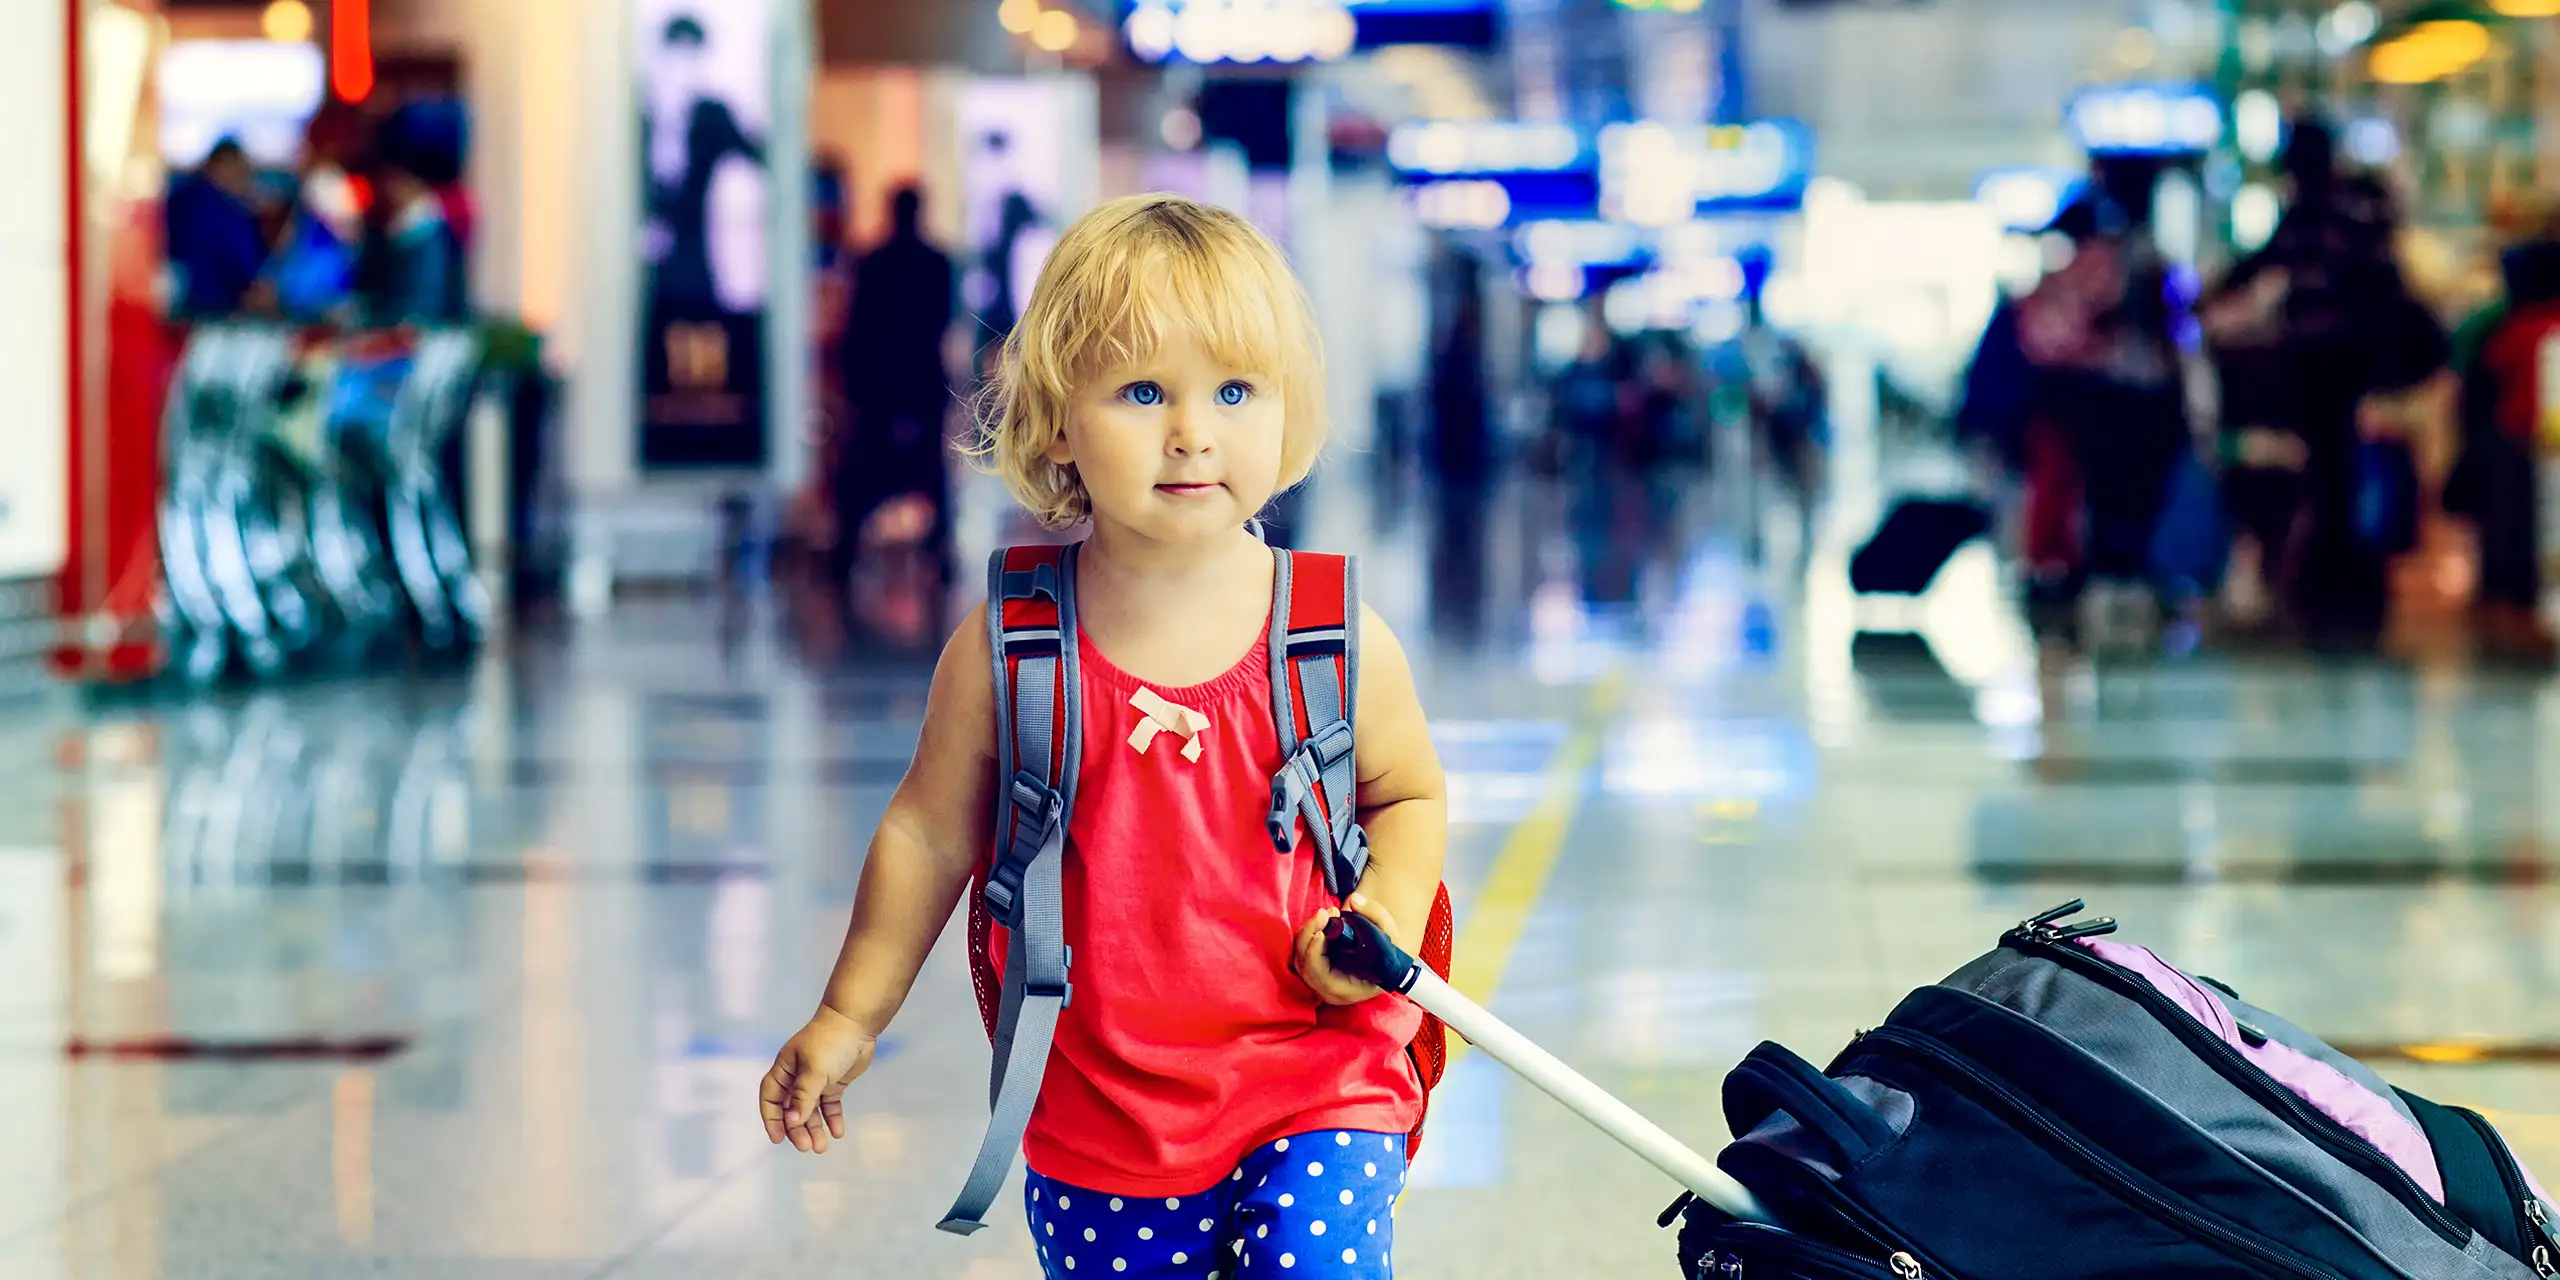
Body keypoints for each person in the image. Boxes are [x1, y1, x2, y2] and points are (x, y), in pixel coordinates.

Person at [758, 194, 1448, 1280]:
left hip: (1319, 1072)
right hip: (1100, 1107)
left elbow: (1405, 796)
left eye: (1233, 390)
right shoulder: (1015, 646)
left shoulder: (1329, 635)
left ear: (1288, 409)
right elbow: (930, 835)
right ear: (1054, 422)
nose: (1192, 430)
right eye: (1140, 391)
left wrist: (1383, 916)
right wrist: (850, 1012)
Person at [833, 186, 957, 586]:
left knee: (869, 468)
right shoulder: (935, 264)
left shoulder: (875, 263)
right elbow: (941, 324)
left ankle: (848, 550)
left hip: (881, 384)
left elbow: (857, 326)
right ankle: (940, 551)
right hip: (915, 382)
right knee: (926, 470)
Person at [164, 138, 272, 318]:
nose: (243, 179)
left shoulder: (180, 199)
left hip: (184, 314)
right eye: (239, 172)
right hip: (217, 315)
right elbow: (244, 268)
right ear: (219, 167)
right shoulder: (224, 213)